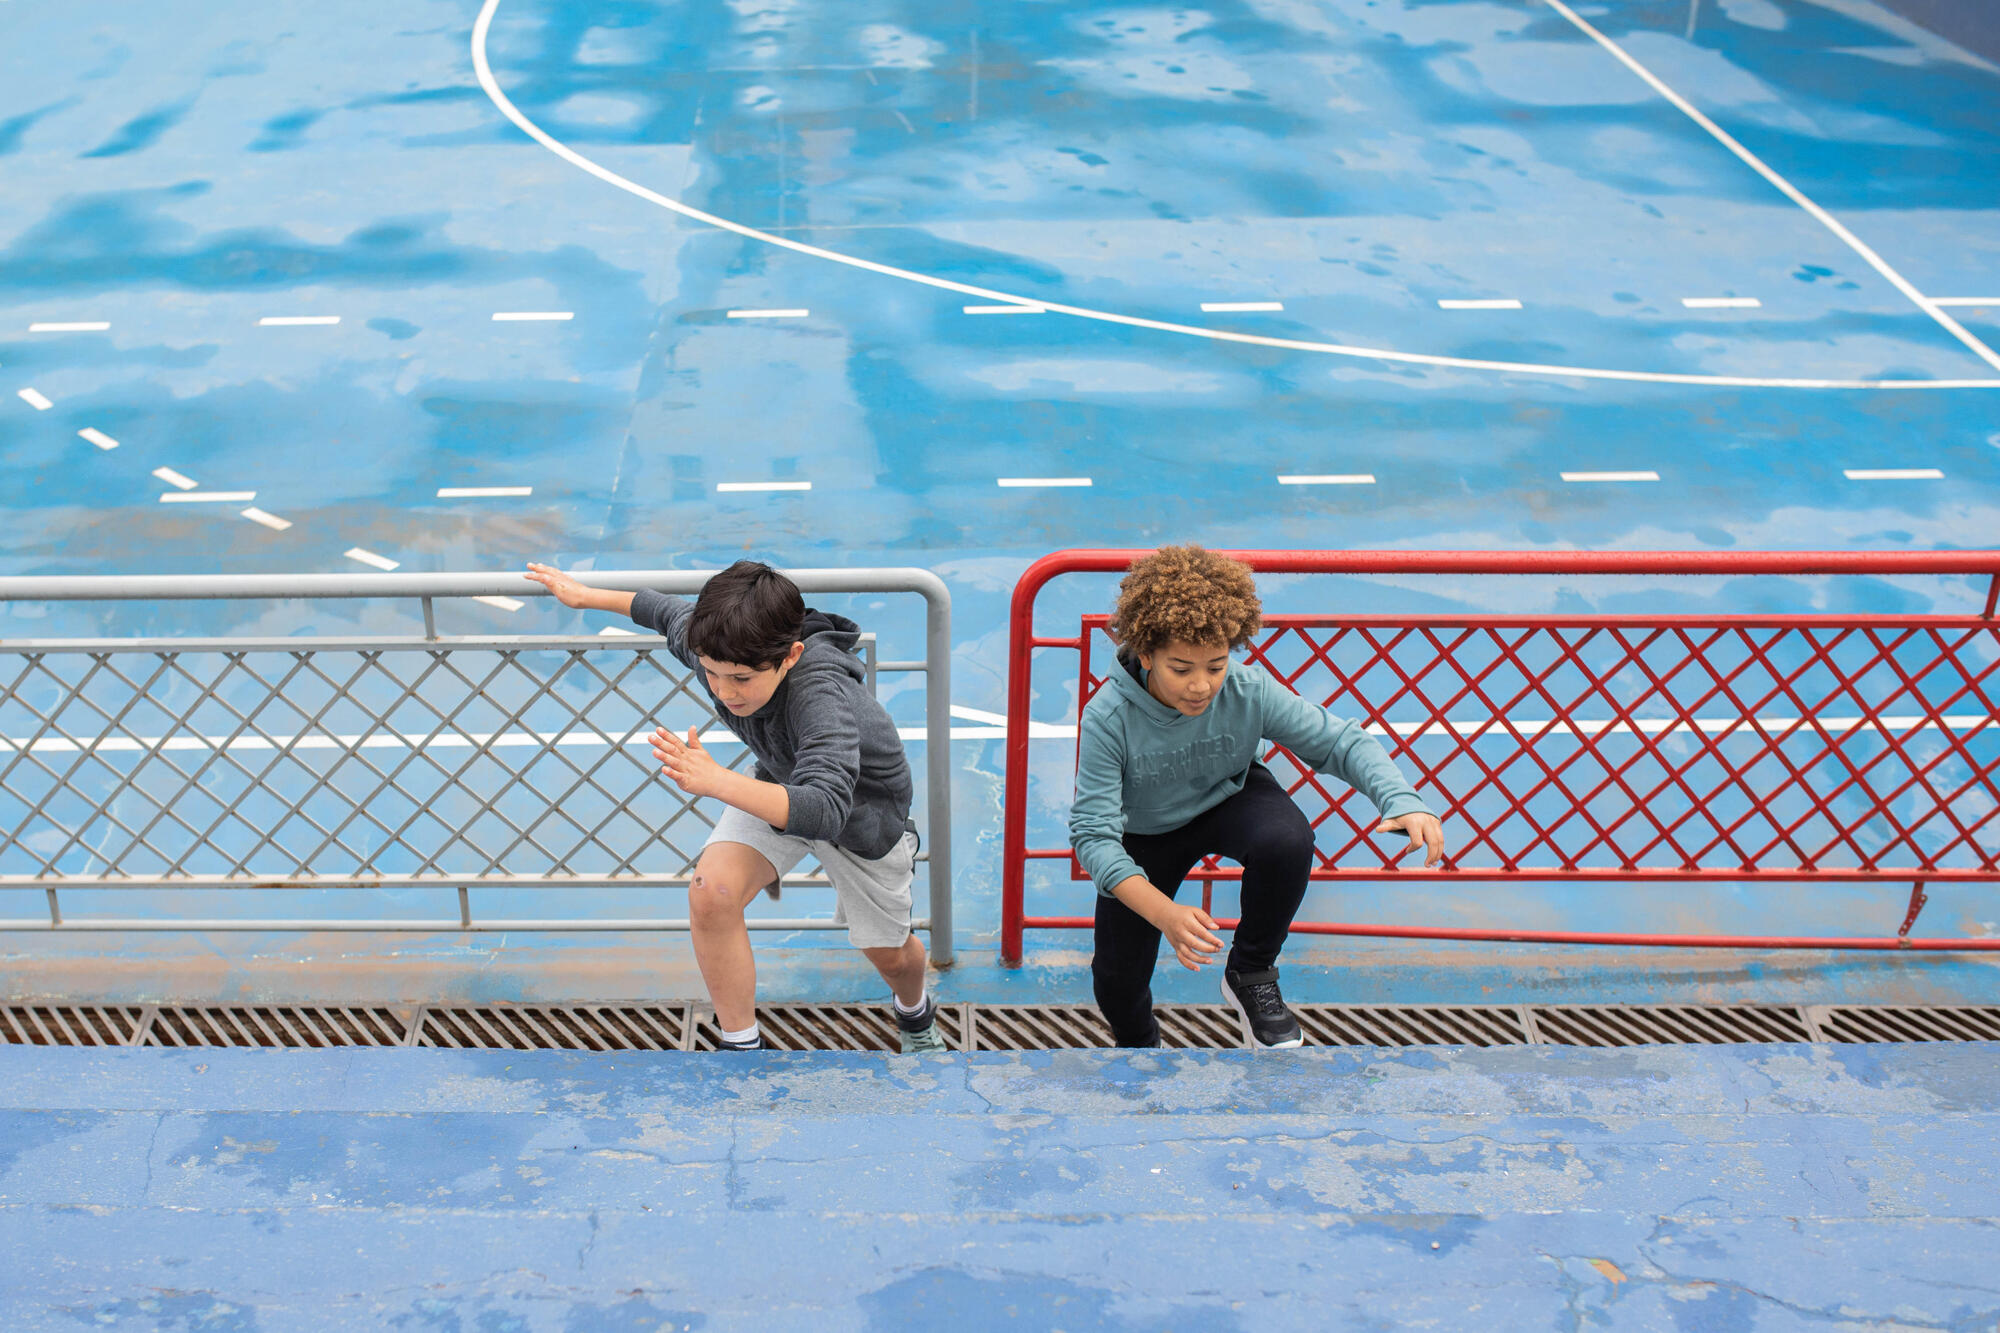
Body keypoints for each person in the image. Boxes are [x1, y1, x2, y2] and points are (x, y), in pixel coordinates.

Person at [523, 559, 945, 1053]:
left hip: (859, 816)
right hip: (781, 780)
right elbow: (661, 611)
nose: (725, 691)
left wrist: (717, 781)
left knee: (890, 956)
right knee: (711, 892)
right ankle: (741, 1045)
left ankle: (915, 1014)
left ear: (790, 656)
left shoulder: (821, 693)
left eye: (741, 679)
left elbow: (826, 809)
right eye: (712, 674)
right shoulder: (719, 646)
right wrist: (584, 595)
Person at [1068, 546, 1446, 1050]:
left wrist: (1401, 799)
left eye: (1216, 665)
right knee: (1117, 977)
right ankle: (1140, 1047)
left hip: (1228, 794)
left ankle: (1251, 973)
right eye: (1181, 669)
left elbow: (1337, 740)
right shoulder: (1109, 717)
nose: (1202, 686)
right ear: (1146, 655)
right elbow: (1093, 836)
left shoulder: (1247, 689)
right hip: (1145, 829)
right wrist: (1165, 913)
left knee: (1286, 839)